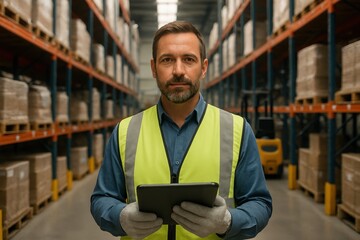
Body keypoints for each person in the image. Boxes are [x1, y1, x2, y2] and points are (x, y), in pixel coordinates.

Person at [91, 21, 272, 239]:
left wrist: (227, 222)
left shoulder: (237, 130)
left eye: (188, 59)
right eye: (167, 60)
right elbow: (101, 198)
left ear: (203, 68)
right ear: (153, 68)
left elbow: (259, 203)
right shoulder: (125, 131)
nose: (178, 71)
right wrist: (119, 217)